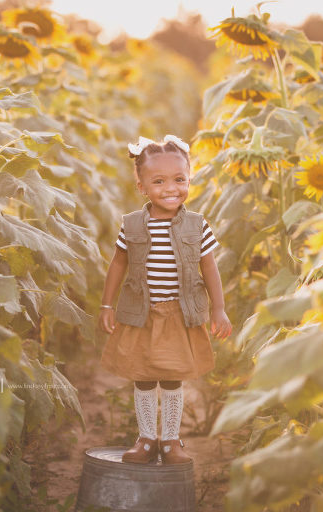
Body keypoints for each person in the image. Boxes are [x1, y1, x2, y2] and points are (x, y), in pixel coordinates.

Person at [98, 134, 232, 465]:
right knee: (143, 376)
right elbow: (118, 264)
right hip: (141, 314)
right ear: (141, 186)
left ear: (189, 180)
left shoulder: (197, 225)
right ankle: (146, 438)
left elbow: (209, 267)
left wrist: (219, 309)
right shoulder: (131, 225)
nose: (170, 188)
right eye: (158, 181)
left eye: (179, 179)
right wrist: (106, 304)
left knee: (172, 377)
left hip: (178, 313)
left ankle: (171, 439)